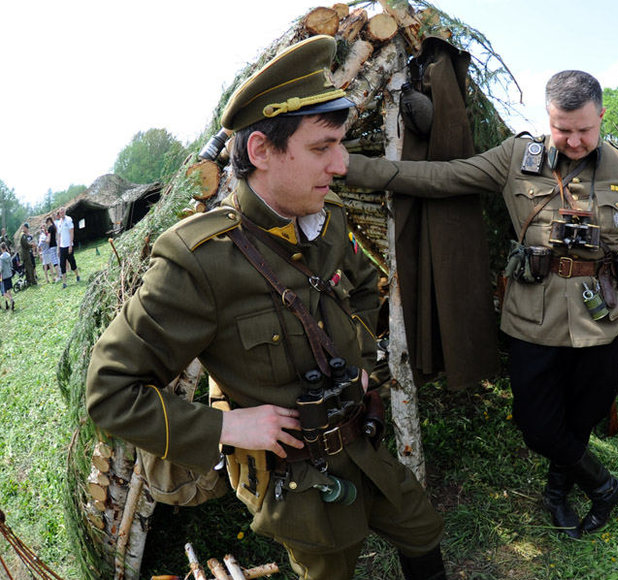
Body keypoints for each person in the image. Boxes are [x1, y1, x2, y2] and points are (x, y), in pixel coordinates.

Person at [86, 35, 447, 580]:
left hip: (367, 447)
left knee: (422, 530)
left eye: (340, 145)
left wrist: (367, 367)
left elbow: (367, 289)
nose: (342, 164)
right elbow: (109, 391)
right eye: (322, 147)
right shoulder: (197, 260)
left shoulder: (328, 221)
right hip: (300, 485)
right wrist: (227, 429)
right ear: (260, 151)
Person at [343, 70, 618, 538]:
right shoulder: (517, 157)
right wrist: (352, 167)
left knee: (581, 418)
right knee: (536, 424)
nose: (574, 140)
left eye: (584, 129)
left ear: (601, 116)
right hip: (531, 320)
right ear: (548, 118)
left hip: (604, 322)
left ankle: (557, 493)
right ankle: (604, 486)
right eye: (563, 128)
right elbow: (443, 176)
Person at [55, 207, 81, 288]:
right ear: (59, 214)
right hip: (62, 246)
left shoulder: (69, 220)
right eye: (60, 212)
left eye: (63, 212)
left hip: (68, 245)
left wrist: (70, 245)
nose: (62, 213)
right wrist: (58, 248)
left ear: (65, 212)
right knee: (62, 264)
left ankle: (77, 275)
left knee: (72, 263)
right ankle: (64, 283)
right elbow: (59, 236)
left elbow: (71, 232)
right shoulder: (59, 222)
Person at [18, 222, 37, 287]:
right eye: (26, 228)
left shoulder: (22, 235)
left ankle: (28, 281)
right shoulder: (23, 235)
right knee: (30, 267)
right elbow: (25, 245)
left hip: (24, 254)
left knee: (26, 268)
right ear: (25, 227)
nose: (27, 229)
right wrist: (32, 245)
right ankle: (33, 282)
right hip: (25, 254)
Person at [44, 216, 59, 283]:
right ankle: (60, 274)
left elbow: (49, 239)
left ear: (49, 221)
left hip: (51, 246)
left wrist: (45, 240)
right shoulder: (54, 227)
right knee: (57, 259)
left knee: (54, 261)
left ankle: (58, 276)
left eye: (47, 222)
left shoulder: (50, 228)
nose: (46, 224)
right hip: (55, 245)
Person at [0, 243, 13, 311]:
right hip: (9, 274)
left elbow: (1, 268)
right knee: (9, 290)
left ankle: (11, 299)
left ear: (1, 248)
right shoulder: (9, 255)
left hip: (4, 276)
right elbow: (11, 264)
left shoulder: (1, 257)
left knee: (4, 291)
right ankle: (9, 303)